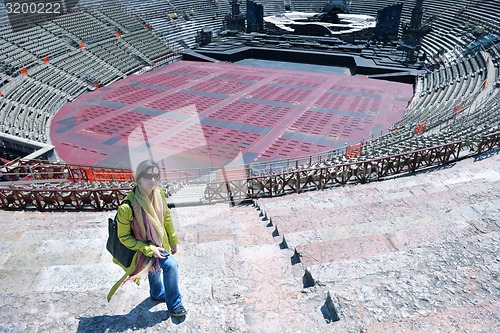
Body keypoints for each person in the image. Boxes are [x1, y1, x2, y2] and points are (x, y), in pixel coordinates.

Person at [107, 160, 187, 318]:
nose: (153, 180)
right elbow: (124, 237)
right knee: (171, 265)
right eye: (148, 176)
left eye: (156, 176)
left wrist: (172, 240)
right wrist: (149, 249)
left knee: (154, 267)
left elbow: (166, 217)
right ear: (137, 179)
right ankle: (175, 304)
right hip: (141, 249)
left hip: (159, 243)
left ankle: (157, 292)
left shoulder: (159, 194)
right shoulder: (127, 207)